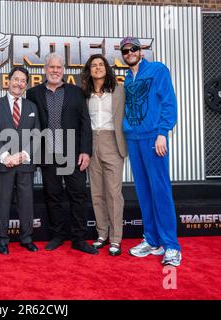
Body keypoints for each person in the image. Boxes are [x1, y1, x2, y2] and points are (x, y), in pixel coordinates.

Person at [119, 36, 182, 266]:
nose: (129, 53)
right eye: (125, 51)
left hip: (153, 140)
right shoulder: (126, 79)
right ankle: (152, 240)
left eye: (133, 49)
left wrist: (162, 132)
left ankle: (172, 246)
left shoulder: (157, 70)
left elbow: (168, 102)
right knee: (144, 192)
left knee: (160, 191)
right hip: (133, 140)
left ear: (141, 51)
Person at [26, 52, 96, 254]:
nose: (55, 71)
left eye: (58, 67)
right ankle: (57, 236)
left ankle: (79, 239)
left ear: (63, 70)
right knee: (53, 196)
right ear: (45, 69)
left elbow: (85, 124)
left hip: (73, 154)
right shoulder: (33, 93)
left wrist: (85, 151)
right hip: (48, 154)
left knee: (78, 196)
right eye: (51, 67)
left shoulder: (76, 92)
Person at [0, 67, 41, 255]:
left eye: (23, 80)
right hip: (4, 163)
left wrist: (23, 154)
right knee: (3, 202)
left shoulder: (32, 107)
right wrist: (4, 157)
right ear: (8, 81)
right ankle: (2, 240)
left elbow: (36, 134)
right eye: (15, 79)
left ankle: (27, 238)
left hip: (25, 162)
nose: (19, 83)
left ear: (26, 84)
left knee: (26, 202)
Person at [81, 54, 127, 256]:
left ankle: (116, 239)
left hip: (112, 142)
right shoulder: (85, 94)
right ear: (89, 70)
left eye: (101, 64)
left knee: (114, 193)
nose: (97, 68)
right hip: (92, 142)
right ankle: (102, 234)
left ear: (107, 68)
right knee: (97, 192)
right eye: (94, 65)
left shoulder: (118, 91)